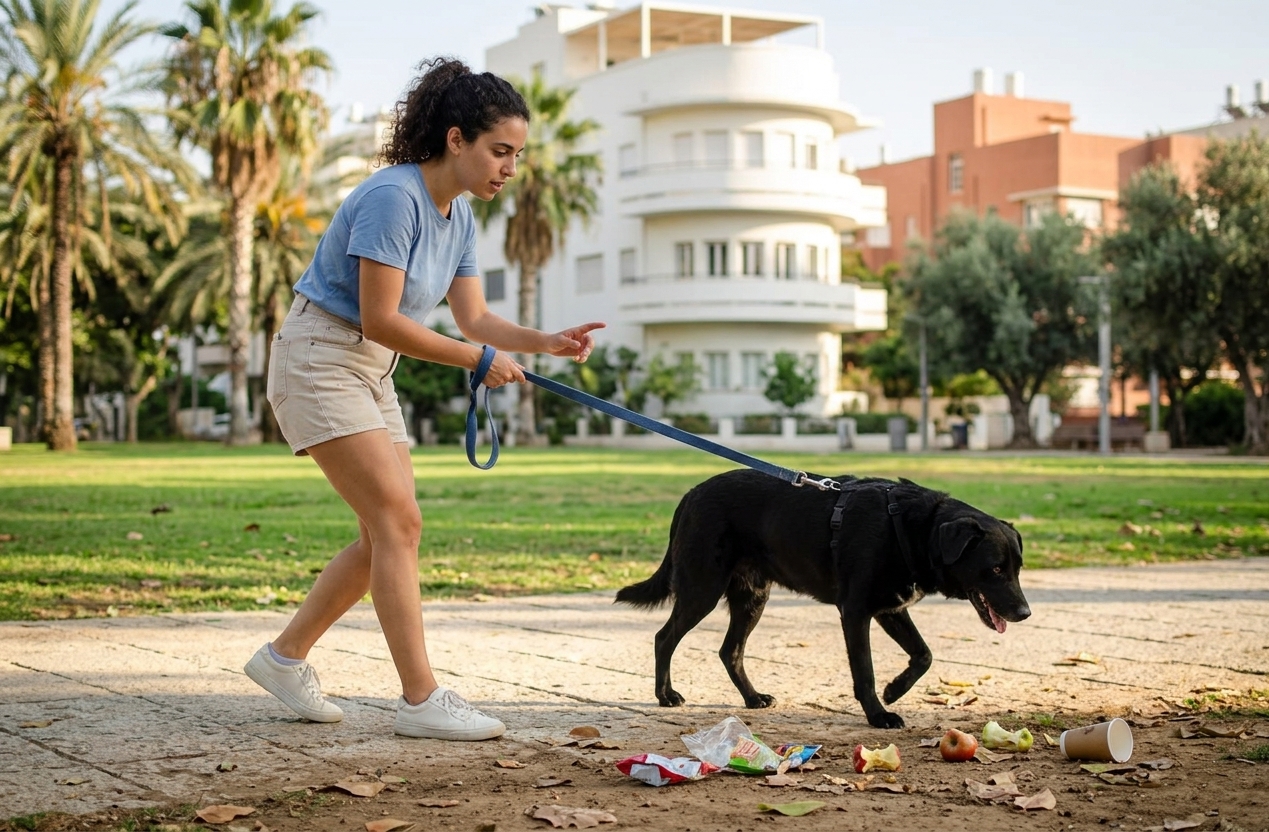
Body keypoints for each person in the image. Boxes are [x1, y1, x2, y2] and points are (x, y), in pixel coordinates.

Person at [243, 56, 604, 741]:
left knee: (383, 533)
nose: (509, 168)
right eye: (500, 151)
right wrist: (479, 360)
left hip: (371, 369)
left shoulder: (458, 216)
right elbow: (382, 317)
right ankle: (420, 699)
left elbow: (475, 322)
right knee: (397, 523)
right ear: (455, 139)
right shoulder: (393, 198)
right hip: (321, 357)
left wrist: (542, 342)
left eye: (518, 156)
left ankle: (283, 658)